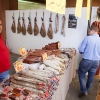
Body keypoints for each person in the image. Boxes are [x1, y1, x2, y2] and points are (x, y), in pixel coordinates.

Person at [78, 25, 100, 98]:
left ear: (93, 30)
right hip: (96, 62)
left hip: (87, 60)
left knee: (81, 74)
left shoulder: (88, 38)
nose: (88, 32)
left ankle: (84, 91)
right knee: (91, 77)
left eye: (89, 31)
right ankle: (87, 90)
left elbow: (81, 50)